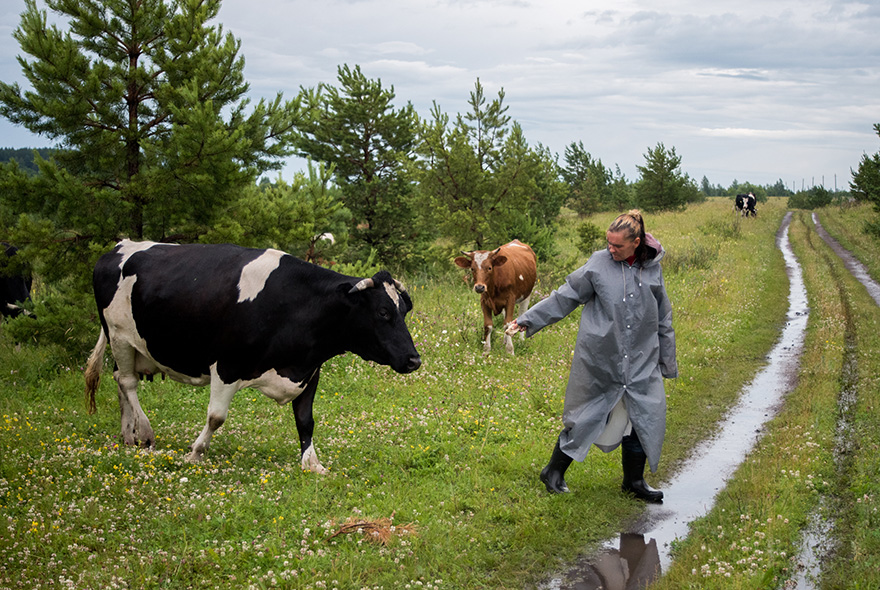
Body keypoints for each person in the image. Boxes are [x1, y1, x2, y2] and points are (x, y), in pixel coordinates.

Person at [508, 210, 677, 502]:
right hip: (602, 357)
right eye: (608, 243)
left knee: (644, 416)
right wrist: (529, 319)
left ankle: (634, 482)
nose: (610, 249)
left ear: (636, 242)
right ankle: (553, 472)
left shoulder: (652, 269)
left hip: (641, 360)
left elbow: (663, 316)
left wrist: (667, 359)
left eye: (618, 246)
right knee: (587, 415)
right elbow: (567, 295)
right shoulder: (599, 264)